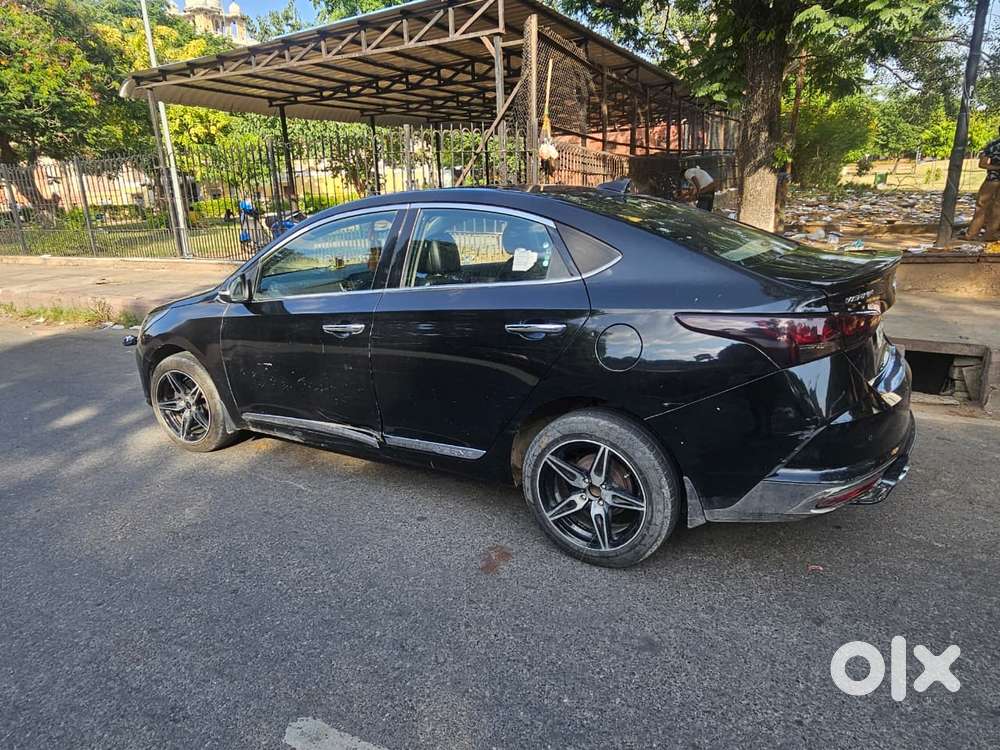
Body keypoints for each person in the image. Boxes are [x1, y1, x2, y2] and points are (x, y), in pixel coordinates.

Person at [967, 125, 1000, 241]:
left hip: (992, 178)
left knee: (981, 205)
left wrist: (995, 167)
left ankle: (972, 234)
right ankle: (990, 235)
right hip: (994, 178)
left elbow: (982, 164)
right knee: (998, 208)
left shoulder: (993, 145)